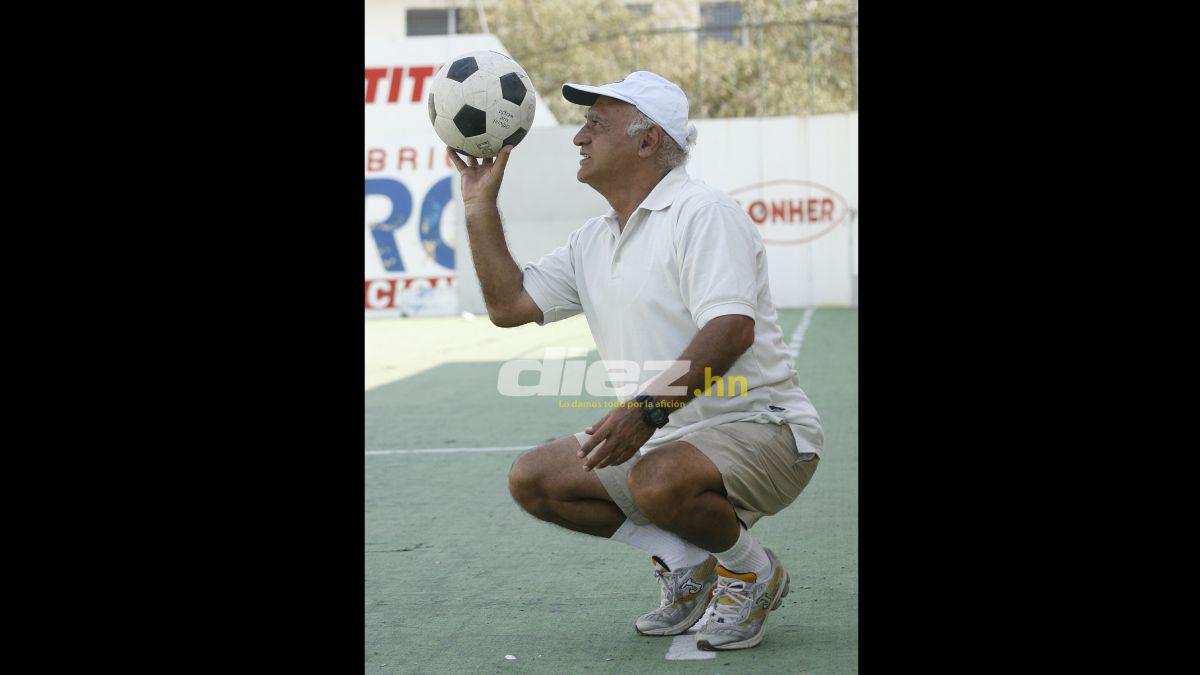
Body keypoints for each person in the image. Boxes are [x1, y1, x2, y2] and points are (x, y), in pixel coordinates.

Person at [446, 70, 823, 652]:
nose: (579, 138)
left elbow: (729, 329)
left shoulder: (703, 212)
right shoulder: (593, 239)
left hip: (766, 430)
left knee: (657, 476)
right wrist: (478, 206)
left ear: (648, 141)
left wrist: (644, 411)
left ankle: (752, 572)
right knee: (536, 478)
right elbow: (509, 305)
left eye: (595, 124)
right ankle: (689, 563)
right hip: (668, 442)